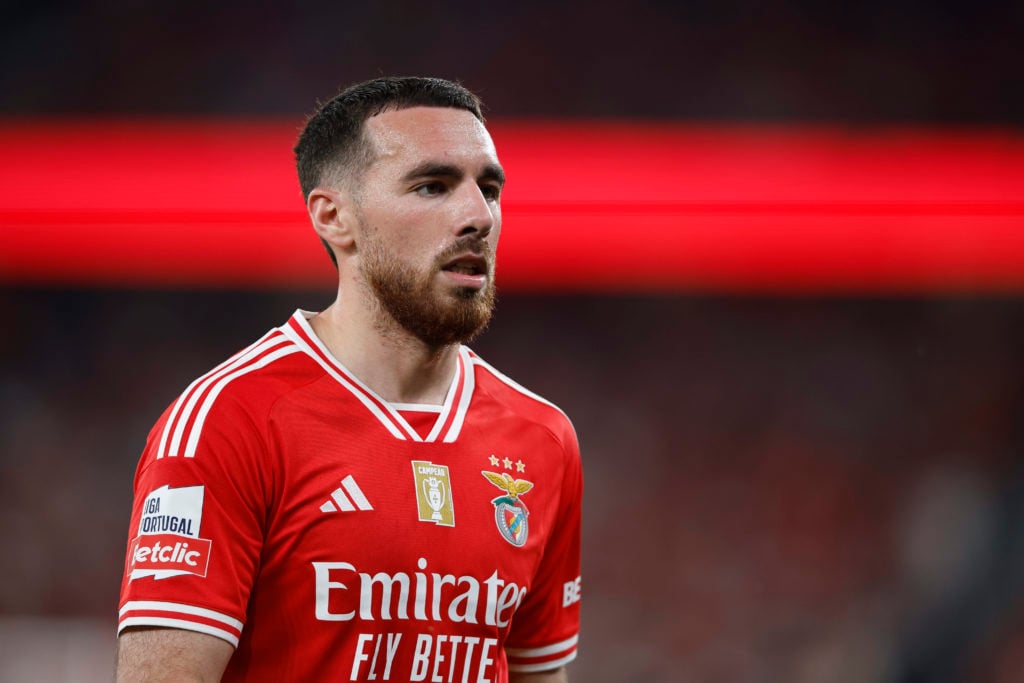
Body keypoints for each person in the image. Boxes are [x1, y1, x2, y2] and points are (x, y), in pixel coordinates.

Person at [115, 77, 583, 682]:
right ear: (335, 217)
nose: (478, 216)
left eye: (488, 188)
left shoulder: (543, 439)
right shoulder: (228, 421)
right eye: (433, 186)